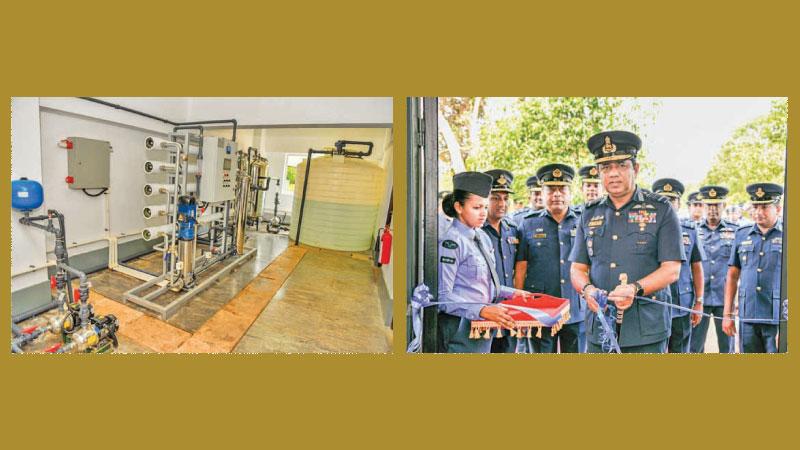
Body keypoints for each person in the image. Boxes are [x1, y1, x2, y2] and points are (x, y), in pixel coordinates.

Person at [569, 130, 683, 353]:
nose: (613, 174)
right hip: (599, 328)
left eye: (621, 165)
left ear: (636, 169)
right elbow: (577, 268)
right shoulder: (589, 213)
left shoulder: (661, 209)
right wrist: (587, 289)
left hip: (645, 330)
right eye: (605, 168)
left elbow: (671, 270)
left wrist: (635, 288)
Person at [438, 172, 516, 353]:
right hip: (460, 329)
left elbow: (485, 285)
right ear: (459, 207)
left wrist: (516, 293)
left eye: (485, 207)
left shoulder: (481, 237)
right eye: (476, 207)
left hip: (483, 327)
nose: (483, 213)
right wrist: (482, 310)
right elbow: (443, 297)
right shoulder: (451, 243)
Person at [515, 163, 583, 352]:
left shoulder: (583, 221)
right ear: (542, 193)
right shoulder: (528, 224)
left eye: (562, 189)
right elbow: (521, 267)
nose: (556, 194)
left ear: (570, 193)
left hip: (575, 304)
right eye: (551, 189)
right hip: (540, 306)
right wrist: (519, 304)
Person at [723, 183, 784, 353]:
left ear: (778, 209)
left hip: (777, 318)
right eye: (755, 206)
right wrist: (727, 314)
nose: (758, 212)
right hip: (748, 315)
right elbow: (732, 276)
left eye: (764, 207)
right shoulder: (741, 234)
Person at [652, 178, 705, 353]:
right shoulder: (644, 230)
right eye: (663, 199)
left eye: (672, 200)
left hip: (682, 306)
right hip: (654, 305)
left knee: (681, 351)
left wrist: (698, 302)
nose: (668, 204)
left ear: (679, 203)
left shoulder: (689, 231)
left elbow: (696, 268)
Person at [689, 185, 737, 353]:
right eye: (709, 205)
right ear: (703, 206)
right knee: (694, 347)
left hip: (724, 299)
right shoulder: (693, 230)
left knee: (727, 347)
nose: (712, 210)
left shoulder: (736, 231)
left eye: (717, 205)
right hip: (699, 299)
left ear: (723, 206)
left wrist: (735, 302)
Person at [482, 169, 521, 353]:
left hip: (509, 310)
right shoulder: (477, 231)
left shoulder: (512, 229)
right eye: (495, 198)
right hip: (485, 310)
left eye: (505, 199)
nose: (502, 204)